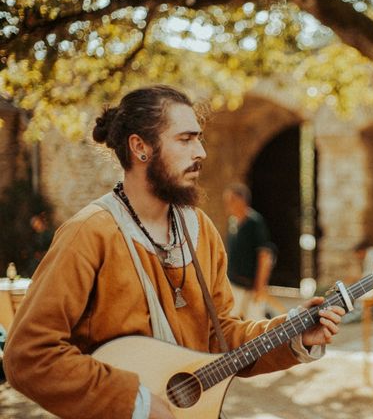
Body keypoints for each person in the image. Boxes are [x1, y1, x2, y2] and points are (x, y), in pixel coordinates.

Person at [2, 85, 345, 419]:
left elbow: (221, 339)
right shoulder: (89, 234)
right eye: (185, 139)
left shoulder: (200, 231)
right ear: (140, 147)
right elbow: (28, 356)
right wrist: (132, 402)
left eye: (198, 137)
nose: (201, 152)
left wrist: (293, 335)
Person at [222, 183, 275, 320]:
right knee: (232, 323)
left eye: (231, 200)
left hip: (251, 287)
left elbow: (264, 255)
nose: (228, 205)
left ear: (241, 201)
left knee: (255, 323)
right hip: (234, 285)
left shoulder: (254, 223)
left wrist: (259, 287)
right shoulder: (233, 222)